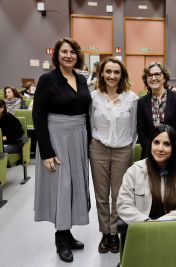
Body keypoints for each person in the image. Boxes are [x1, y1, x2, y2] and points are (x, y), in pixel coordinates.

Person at [32, 37, 91, 263]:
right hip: (57, 136)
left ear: (78, 56)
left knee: (75, 185)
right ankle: (60, 238)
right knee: (61, 187)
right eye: (64, 52)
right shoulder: (47, 79)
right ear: (57, 55)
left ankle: (67, 231)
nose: (69, 55)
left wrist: (88, 142)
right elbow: (38, 115)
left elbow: (85, 111)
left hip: (79, 136)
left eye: (73, 52)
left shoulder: (81, 79)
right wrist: (46, 151)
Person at [89, 57, 138, 254]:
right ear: (101, 73)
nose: (112, 76)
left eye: (116, 72)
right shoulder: (94, 97)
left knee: (119, 194)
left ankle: (115, 232)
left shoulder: (132, 98)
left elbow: (134, 127)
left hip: (123, 150)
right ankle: (105, 233)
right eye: (108, 71)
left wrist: (128, 146)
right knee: (101, 195)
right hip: (98, 148)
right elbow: (89, 123)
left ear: (122, 75)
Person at [117, 124, 176, 224]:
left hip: (173, 232)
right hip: (141, 231)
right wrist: (146, 222)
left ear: (174, 148)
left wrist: (158, 224)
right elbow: (124, 204)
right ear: (150, 144)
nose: (160, 148)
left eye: (166, 144)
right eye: (156, 142)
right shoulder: (134, 171)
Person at [137, 61, 176, 164]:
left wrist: (172, 151)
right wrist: (153, 152)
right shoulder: (142, 102)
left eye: (157, 74)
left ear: (164, 77)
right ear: (146, 79)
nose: (153, 78)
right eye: (150, 75)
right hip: (151, 155)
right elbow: (141, 131)